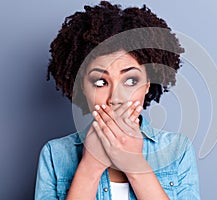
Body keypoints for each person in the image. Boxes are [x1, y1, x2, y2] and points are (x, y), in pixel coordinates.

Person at [35, 1, 200, 199]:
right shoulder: (55, 154)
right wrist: (90, 167)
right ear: (82, 87)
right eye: (100, 82)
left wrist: (135, 165)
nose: (116, 98)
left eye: (130, 80)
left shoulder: (178, 150)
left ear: (148, 83)